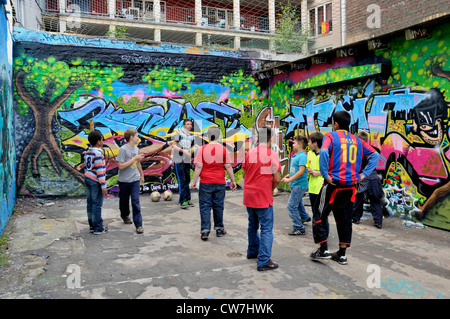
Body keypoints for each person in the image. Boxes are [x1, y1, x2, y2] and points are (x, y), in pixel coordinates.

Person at [310, 111, 380, 265]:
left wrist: (325, 174)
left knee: (319, 213)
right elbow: (375, 156)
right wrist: (363, 175)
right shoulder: (357, 140)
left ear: (335, 123)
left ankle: (323, 250)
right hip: (350, 187)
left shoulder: (331, 136)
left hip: (333, 184)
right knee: (345, 219)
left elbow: (323, 152)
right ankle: (342, 254)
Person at [243, 126, 282, 271]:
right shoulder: (272, 154)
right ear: (271, 138)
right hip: (262, 196)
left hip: (249, 195)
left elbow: (246, 171)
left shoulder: (250, 153)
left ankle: (252, 251)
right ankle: (263, 260)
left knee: (252, 225)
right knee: (266, 228)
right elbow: (277, 178)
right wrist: (271, 187)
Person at [191, 127, 237, 241]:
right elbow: (228, 166)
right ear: (218, 136)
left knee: (205, 206)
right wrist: (233, 180)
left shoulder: (202, 149)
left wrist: (193, 181)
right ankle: (219, 229)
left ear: (207, 136)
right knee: (218, 205)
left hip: (206, 182)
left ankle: (205, 231)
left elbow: (199, 166)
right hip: (220, 182)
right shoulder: (223, 149)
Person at [352, 131, 384, 228]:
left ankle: (356, 218)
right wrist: (375, 139)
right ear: (366, 140)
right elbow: (379, 149)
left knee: (359, 199)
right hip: (374, 178)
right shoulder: (371, 149)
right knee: (375, 199)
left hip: (363, 179)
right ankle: (378, 221)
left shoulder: (355, 150)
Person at [117, 129, 145, 234]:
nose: (138, 138)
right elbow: (120, 166)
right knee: (124, 201)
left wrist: (142, 174)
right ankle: (124, 215)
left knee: (135, 201)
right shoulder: (123, 150)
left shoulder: (137, 149)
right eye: (137, 136)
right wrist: (134, 159)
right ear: (131, 137)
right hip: (124, 180)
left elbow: (138, 164)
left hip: (135, 179)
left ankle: (139, 225)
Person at [281, 135, 309, 235]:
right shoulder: (297, 156)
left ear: (300, 145)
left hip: (299, 185)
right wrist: (290, 175)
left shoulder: (302, 156)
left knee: (291, 206)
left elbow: (301, 172)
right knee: (298, 202)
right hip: (296, 184)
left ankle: (298, 227)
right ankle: (305, 217)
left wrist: (289, 180)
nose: (293, 144)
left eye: (295, 143)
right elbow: (296, 170)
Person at [84, 130, 108, 235]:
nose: (102, 141)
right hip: (95, 181)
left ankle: (92, 226)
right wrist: (103, 185)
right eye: (102, 139)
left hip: (87, 178)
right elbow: (100, 171)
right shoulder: (98, 154)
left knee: (90, 203)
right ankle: (98, 227)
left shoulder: (88, 152)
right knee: (97, 204)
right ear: (98, 142)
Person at [172, 119, 197, 209]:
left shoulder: (192, 136)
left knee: (187, 180)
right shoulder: (180, 134)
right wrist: (183, 150)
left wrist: (191, 151)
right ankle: (182, 201)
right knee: (182, 181)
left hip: (187, 160)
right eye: (187, 124)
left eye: (190, 124)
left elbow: (192, 146)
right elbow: (173, 145)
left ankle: (188, 199)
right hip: (179, 160)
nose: (189, 126)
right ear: (184, 125)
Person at [306, 132, 324, 209]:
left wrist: (318, 173)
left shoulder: (325, 154)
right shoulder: (309, 153)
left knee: (321, 212)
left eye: (309, 142)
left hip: (321, 187)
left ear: (315, 143)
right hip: (312, 187)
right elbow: (308, 166)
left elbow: (330, 171)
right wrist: (309, 170)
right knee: (314, 211)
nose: (308, 144)